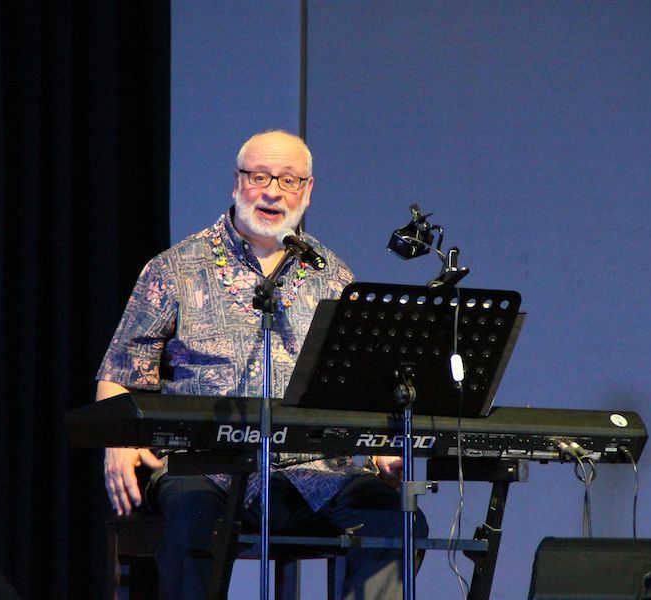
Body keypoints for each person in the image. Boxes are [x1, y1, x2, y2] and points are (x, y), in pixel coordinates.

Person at [96, 130, 428, 599]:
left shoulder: (332, 276)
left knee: (398, 521)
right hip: (203, 469)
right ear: (237, 184)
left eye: (289, 180)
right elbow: (121, 371)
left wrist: (377, 448)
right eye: (259, 176)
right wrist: (117, 441)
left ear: (307, 191)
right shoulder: (175, 268)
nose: (273, 191)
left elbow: (361, 386)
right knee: (193, 523)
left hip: (314, 471)